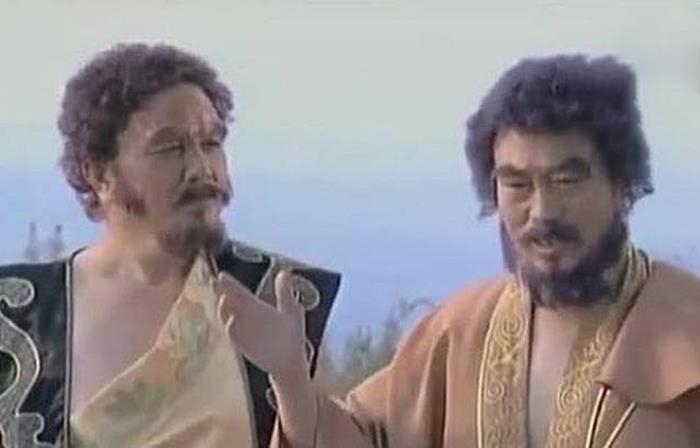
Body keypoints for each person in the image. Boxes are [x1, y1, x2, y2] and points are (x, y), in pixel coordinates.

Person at [218, 54, 700, 447]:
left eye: (566, 180)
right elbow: (364, 437)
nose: (542, 212)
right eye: (517, 184)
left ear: (622, 185)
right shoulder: (459, 332)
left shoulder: (688, 328)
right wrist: (290, 377)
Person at [0, 43, 340, 448]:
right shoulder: (19, 316)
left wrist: (291, 378)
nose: (201, 169)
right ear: (100, 175)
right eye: (170, 148)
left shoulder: (275, 297)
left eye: (211, 143)